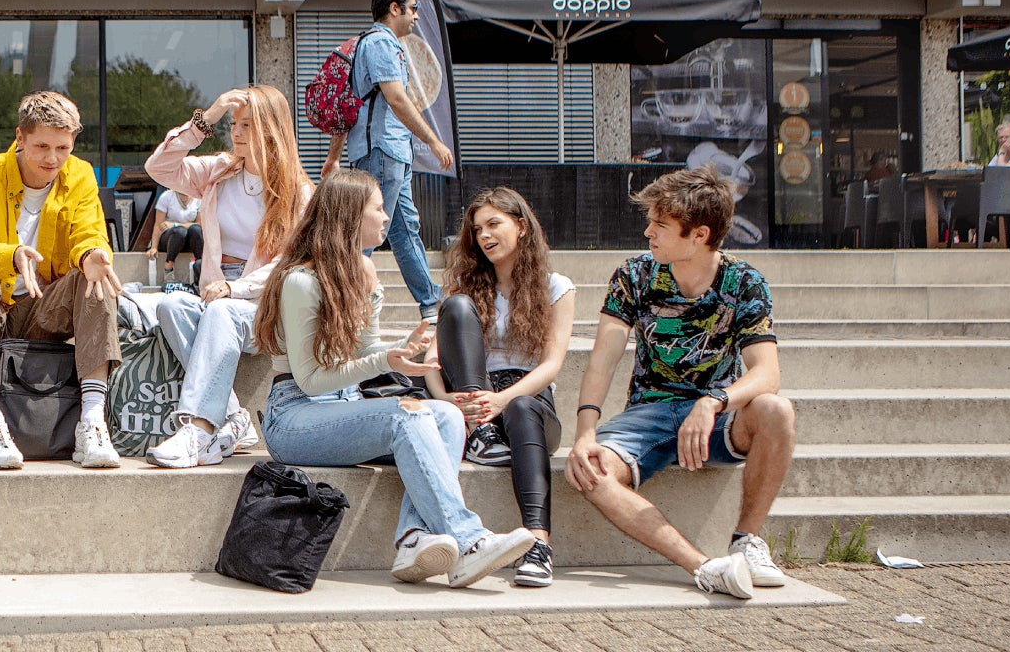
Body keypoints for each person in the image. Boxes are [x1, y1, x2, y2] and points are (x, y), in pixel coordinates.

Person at [251, 171, 537, 589]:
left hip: (347, 408)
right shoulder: (301, 281)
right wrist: (387, 359)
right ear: (350, 217)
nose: (387, 218)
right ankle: (471, 540)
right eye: (378, 208)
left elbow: (364, 353)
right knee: (407, 416)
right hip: (295, 415)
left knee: (447, 417)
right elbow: (312, 380)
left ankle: (412, 538)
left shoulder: (361, 271)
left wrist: (401, 352)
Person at [566, 165, 797, 601]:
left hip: (716, 420)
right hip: (648, 416)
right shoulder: (634, 276)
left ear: (700, 234)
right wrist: (585, 432)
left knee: (776, 410)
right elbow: (603, 359)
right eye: (650, 221)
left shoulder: (744, 283)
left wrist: (712, 403)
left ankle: (746, 542)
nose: (648, 232)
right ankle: (705, 566)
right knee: (589, 471)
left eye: (660, 225)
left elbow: (768, 373)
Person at [0, 90, 123, 470]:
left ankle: (91, 422)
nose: (52, 158)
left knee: (97, 278)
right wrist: (10, 255)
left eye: (63, 147)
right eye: (42, 145)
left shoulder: (80, 175)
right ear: (20, 138)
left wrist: (92, 255)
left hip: (44, 310)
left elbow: (88, 231)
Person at [139, 85, 312, 469]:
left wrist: (235, 288)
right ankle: (233, 416)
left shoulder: (297, 192)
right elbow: (159, 167)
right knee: (172, 305)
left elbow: (290, 262)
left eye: (247, 124)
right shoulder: (218, 171)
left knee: (220, 313)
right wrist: (207, 117)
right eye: (233, 123)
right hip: (218, 297)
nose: (235, 132)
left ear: (271, 129)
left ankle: (198, 431)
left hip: (267, 309)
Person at [430, 186, 574, 587]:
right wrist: (449, 402)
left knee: (522, 407)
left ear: (522, 227)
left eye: (494, 224)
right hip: (478, 400)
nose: (484, 236)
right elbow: (430, 360)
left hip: (529, 403)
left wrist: (504, 399)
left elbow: (552, 364)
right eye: (477, 229)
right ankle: (481, 434)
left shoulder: (556, 286)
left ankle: (538, 545)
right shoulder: (465, 289)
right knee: (456, 306)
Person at [322, 0, 455, 336]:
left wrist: (334, 158)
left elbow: (351, 108)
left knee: (403, 229)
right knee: (366, 234)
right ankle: (341, 304)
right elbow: (396, 99)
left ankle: (431, 305)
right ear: (394, 9)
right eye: (412, 8)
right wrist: (435, 141)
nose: (415, 16)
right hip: (383, 152)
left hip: (384, 152)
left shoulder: (367, 44)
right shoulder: (382, 42)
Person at [144, 188, 201, 285]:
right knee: (180, 232)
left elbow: (200, 224)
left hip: (189, 238)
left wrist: (175, 224)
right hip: (170, 238)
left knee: (196, 230)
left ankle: (200, 269)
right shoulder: (166, 196)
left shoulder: (199, 198)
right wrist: (153, 247)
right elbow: (158, 225)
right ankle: (168, 270)